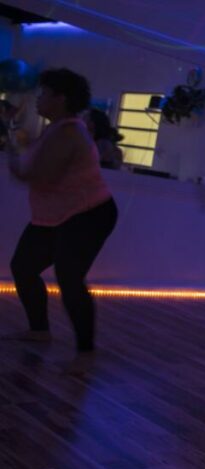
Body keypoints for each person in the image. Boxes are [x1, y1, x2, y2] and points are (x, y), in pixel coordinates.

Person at [4, 68, 118, 373]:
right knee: (23, 267)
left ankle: (86, 353)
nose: (38, 99)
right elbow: (37, 164)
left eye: (44, 93)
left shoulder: (70, 131)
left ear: (61, 98)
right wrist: (17, 145)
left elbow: (40, 175)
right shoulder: (56, 128)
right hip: (55, 217)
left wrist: (14, 154)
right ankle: (39, 330)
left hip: (88, 214)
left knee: (69, 279)